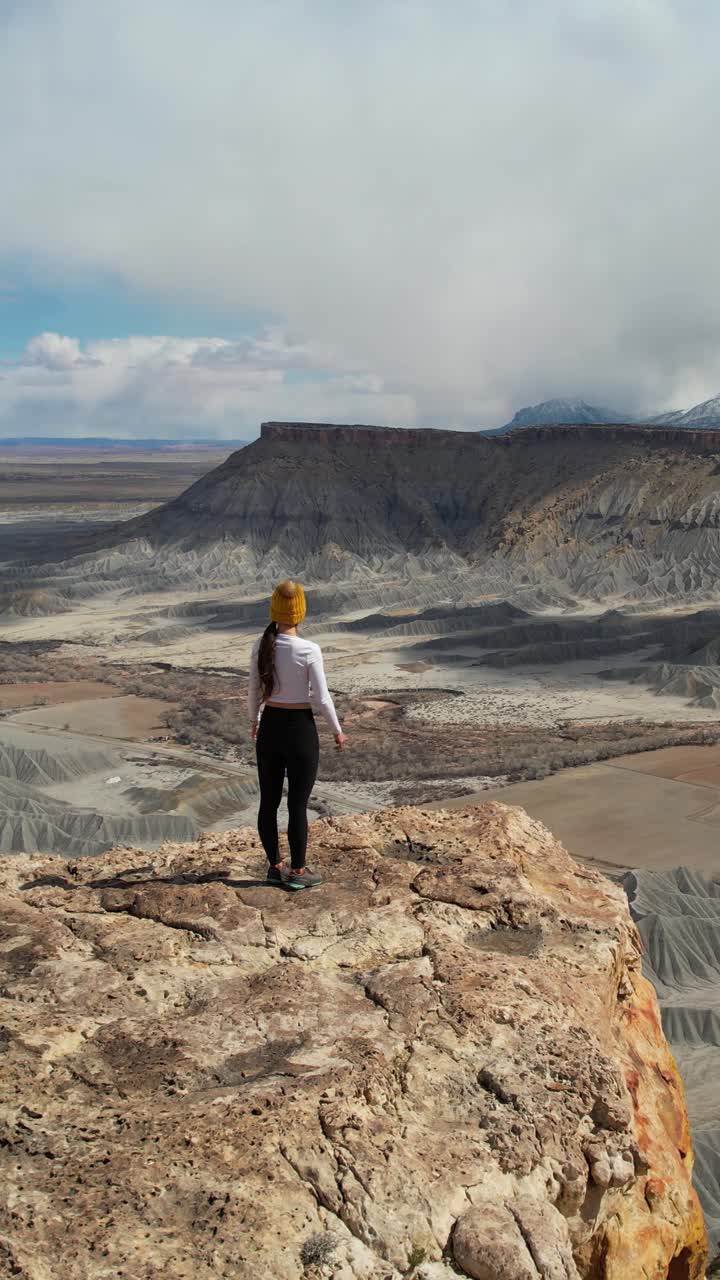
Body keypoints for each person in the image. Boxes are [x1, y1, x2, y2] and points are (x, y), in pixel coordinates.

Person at [248, 579, 346, 889]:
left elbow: (252, 690)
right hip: (300, 730)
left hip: (270, 728)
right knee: (297, 805)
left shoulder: (262, 645)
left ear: (274, 610)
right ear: (300, 612)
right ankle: (299, 873)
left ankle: (275, 867)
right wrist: (337, 730)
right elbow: (321, 698)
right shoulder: (309, 650)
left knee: (269, 802)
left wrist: (255, 721)